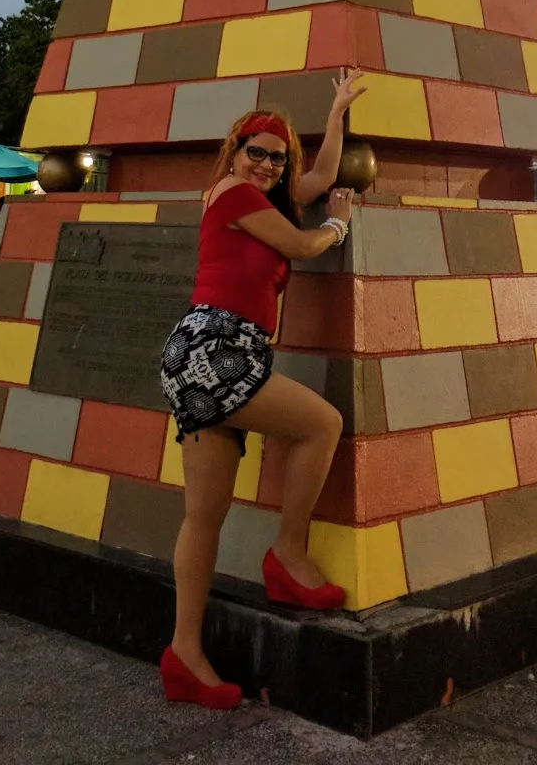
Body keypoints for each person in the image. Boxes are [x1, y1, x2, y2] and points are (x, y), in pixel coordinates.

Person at [159, 70, 366, 711]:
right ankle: (287, 556)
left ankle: (183, 655)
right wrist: (339, 228)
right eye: (258, 152)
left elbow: (319, 178)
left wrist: (336, 114)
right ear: (235, 150)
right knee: (321, 424)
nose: (269, 165)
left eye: (277, 157)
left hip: (210, 352)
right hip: (214, 349)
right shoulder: (230, 192)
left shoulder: (263, 195)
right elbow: (305, 244)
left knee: (205, 514)